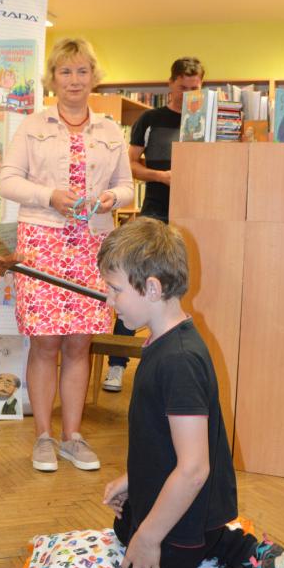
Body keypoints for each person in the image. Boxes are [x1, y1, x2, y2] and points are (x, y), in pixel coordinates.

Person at [98, 219, 284, 568]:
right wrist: (134, 481)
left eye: (114, 289)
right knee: (124, 524)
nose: (107, 299)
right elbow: (164, 441)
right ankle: (234, 544)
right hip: (190, 500)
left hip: (189, 507)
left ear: (152, 288)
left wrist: (150, 537)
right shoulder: (164, 341)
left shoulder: (179, 361)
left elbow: (192, 470)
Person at [0, 37, 133, 473]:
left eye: (82, 71)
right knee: (45, 343)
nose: (74, 80)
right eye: (65, 71)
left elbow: (127, 188)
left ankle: (72, 437)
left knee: (80, 342)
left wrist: (112, 198)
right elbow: (7, 181)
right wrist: (49, 195)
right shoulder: (32, 125)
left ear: (94, 76)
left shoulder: (110, 131)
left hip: (93, 245)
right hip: (42, 240)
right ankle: (43, 436)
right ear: (52, 78)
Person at [103, 57, 204, 393]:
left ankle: (174, 359)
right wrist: (161, 176)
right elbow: (130, 166)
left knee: (181, 286)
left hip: (199, 213)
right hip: (156, 212)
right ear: (170, 83)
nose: (188, 94)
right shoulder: (150, 119)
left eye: (195, 88)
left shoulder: (207, 118)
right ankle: (117, 365)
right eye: (183, 87)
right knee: (134, 281)